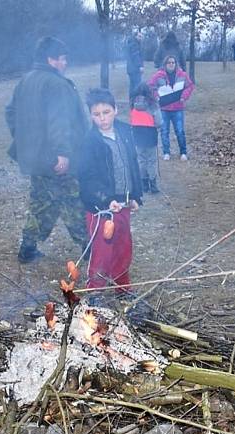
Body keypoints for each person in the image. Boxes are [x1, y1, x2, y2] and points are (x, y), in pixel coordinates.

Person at [6, 36, 89, 263]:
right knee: (72, 200)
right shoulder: (56, 84)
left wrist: (24, 140)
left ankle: (28, 247)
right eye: (62, 59)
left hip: (36, 159)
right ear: (51, 59)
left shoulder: (26, 80)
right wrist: (63, 153)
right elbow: (59, 121)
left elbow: (10, 113)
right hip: (56, 159)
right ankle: (88, 245)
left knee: (41, 201)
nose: (65, 63)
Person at [79, 88, 143, 292]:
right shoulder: (89, 142)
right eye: (96, 114)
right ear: (90, 115)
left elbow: (132, 164)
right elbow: (87, 178)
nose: (102, 118)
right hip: (102, 209)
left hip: (123, 204)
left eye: (106, 112)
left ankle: (122, 288)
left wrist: (135, 196)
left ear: (115, 110)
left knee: (123, 247)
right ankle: (94, 292)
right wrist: (106, 200)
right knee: (102, 252)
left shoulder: (125, 131)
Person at [148, 55, 195, 161]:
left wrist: (184, 96)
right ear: (165, 64)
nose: (171, 64)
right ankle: (166, 152)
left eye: (173, 62)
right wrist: (156, 96)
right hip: (164, 108)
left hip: (178, 107)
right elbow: (150, 86)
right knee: (164, 131)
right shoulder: (158, 75)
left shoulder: (182, 75)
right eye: (169, 62)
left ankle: (183, 152)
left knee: (179, 130)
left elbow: (190, 86)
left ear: (176, 63)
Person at [130, 83, 163, 193]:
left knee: (141, 160)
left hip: (137, 134)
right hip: (150, 134)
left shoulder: (132, 104)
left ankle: (144, 185)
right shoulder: (153, 104)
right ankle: (153, 185)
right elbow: (158, 121)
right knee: (152, 161)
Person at [126, 29, 144, 100]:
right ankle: (136, 100)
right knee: (137, 85)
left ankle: (132, 100)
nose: (141, 38)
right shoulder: (135, 45)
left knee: (132, 85)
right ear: (135, 36)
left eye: (141, 36)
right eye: (139, 36)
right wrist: (140, 66)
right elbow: (136, 56)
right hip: (135, 69)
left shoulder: (131, 44)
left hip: (130, 69)